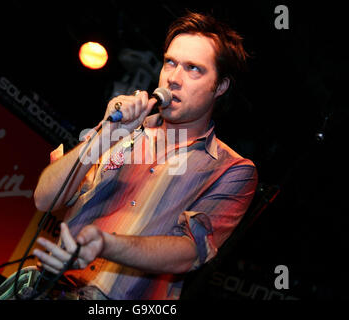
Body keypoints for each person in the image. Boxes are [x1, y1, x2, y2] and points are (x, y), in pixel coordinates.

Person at [32, 11, 258, 300]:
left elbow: (189, 253)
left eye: (194, 69)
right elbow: (45, 199)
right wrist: (105, 135)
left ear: (221, 86)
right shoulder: (122, 129)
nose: (173, 78)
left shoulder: (231, 169)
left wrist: (106, 244)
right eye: (170, 63)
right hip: (49, 291)